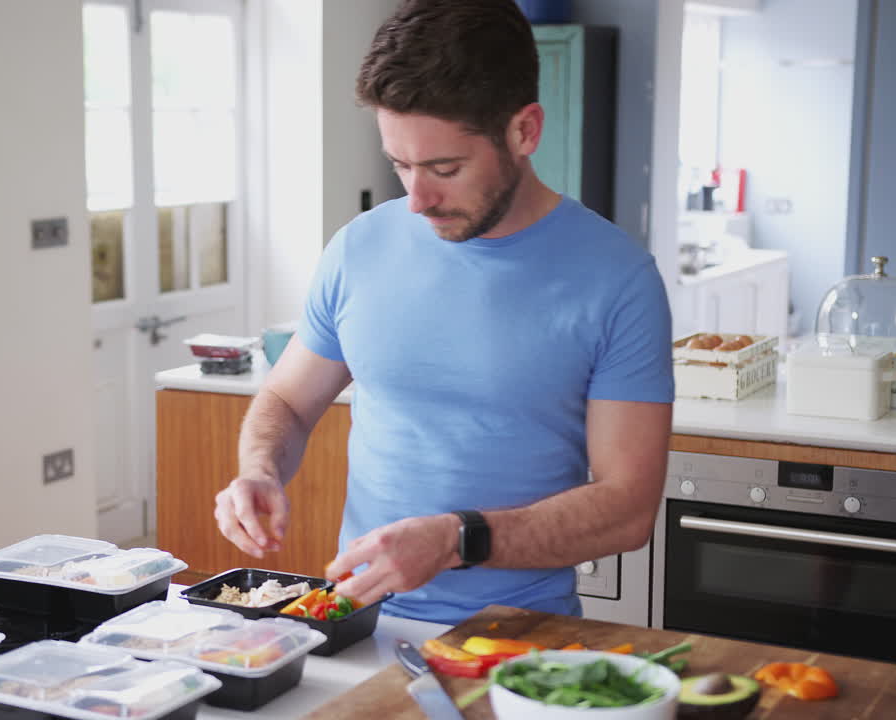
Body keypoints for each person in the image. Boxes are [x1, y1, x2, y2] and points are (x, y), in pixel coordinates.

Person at [213, 0, 674, 625]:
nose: (417, 200)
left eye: (445, 168)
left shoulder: (617, 279)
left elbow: (628, 509)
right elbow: (289, 402)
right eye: (400, 165)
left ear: (525, 131)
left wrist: (458, 541)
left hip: (516, 638)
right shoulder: (358, 247)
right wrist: (259, 469)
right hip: (355, 619)